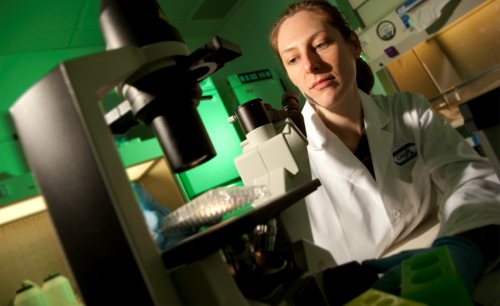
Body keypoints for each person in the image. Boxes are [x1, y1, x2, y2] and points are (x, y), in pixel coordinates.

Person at [269, 0, 500, 302]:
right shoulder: (283, 158)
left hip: (438, 261)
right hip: (361, 294)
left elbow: (469, 179)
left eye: (321, 44)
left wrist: (465, 245)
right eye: (293, 60)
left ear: (353, 44)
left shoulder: (408, 109)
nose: (311, 65)